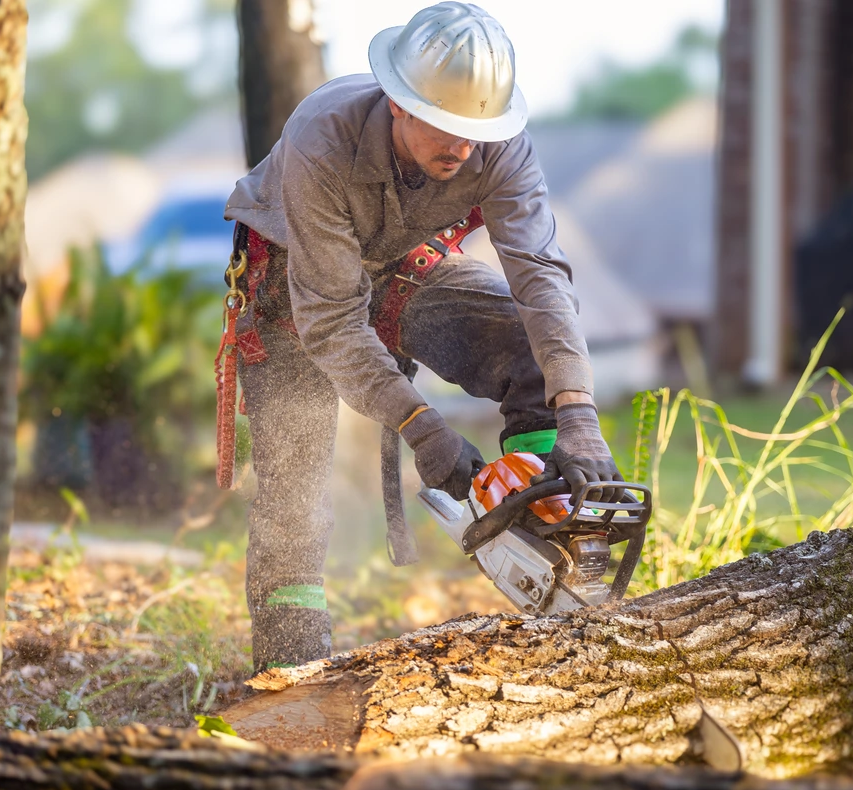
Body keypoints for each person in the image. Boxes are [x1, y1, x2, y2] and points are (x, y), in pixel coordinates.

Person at [223, 1, 623, 672]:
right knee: (298, 482)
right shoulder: (321, 138)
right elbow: (331, 319)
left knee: (524, 350)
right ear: (399, 103)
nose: (464, 149)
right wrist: (421, 425)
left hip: (405, 260)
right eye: (445, 127)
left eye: (477, 132)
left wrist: (577, 409)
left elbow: (540, 276)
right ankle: (291, 672)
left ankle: (558, 555)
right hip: (298, 279)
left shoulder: (498, 145)